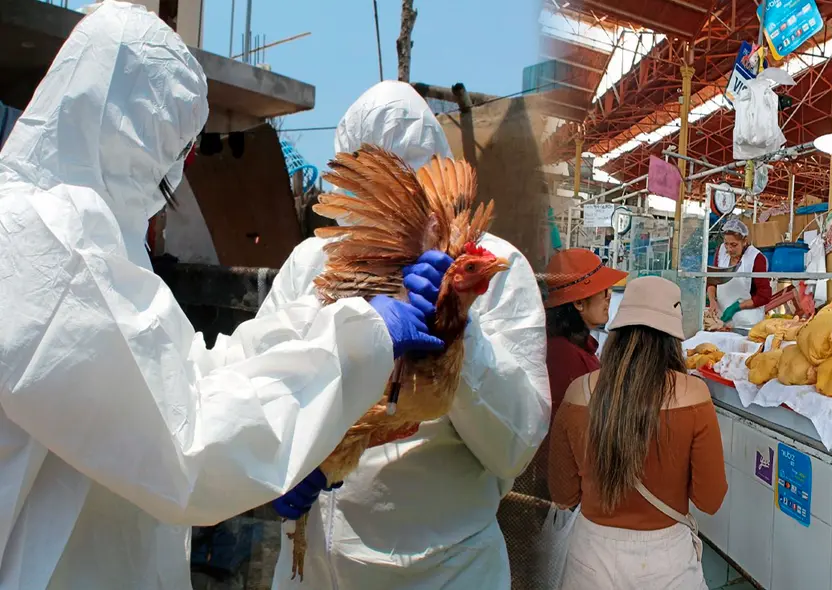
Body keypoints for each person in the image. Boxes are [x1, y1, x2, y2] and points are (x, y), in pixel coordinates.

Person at [0, 5, 444, 589]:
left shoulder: (89, 238)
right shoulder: (42, 239)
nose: (178, 174)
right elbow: (187, 441)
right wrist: (360, 339)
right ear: (132, 128)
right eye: (175, 149)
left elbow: (187, 376)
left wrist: (330, 323)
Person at [268, 80, 551, 590]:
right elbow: (266, 377)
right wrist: (276, 462)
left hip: (445, 572)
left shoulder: (494, 266)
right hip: (314, 566)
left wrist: (455, 322)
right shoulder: (311, 264)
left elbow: (516, 445)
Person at [548, 277, 728, 589]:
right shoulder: (695, 394)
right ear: (672, 337)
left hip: (590, 560)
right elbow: (710, 499)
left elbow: (563, 495)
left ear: (618, 331)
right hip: (668, 565)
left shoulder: (578, 392)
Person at [543, 248, 628, 420]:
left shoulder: (568, 346)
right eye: (603, 290)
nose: (609, 296)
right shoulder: (566, 357)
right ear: (579, 303)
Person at [707, 219, 772, 329]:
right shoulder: (721, 251)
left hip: (747, 323)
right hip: (721, 320)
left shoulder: (756, 258)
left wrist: (736, 307)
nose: (729, 249)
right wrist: (712, 300)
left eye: (734, 245)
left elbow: (764, 296)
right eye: (726, 244)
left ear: (744, 241)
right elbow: (712, 280)